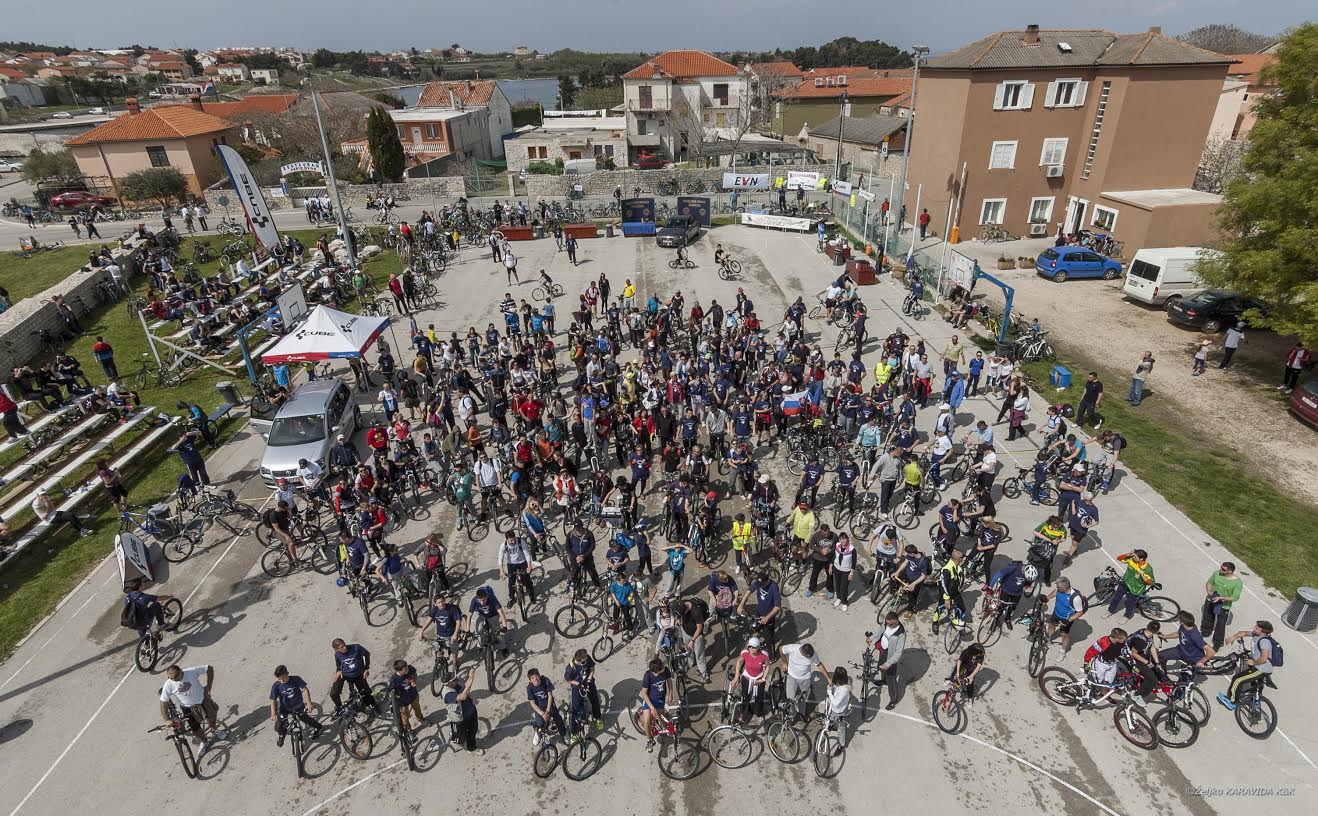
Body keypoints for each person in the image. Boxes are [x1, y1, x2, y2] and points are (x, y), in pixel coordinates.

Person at [1216, 620, 1279, 711]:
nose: (1254, 627)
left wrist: (1253, 663)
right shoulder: (1256, 634)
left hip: (1261, 668)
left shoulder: (1264, 641)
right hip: (1263, 666)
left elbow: (1264, 658)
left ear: (1263, 631)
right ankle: (1255, 701)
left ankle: (1231, 702)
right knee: (1256, 684)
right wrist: (1233, 637)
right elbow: (1244, 633)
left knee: (1237, 679)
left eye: (1257, 627)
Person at [159, 664, 227, 748]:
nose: (173, 680)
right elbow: (163, 702)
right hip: (187, 708)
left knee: (211, 716)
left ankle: (214, 730)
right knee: (195, 728)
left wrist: (209, 686)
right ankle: (204, 741)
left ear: (181, 671)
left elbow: (209, 668)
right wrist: (167, 719)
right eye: (170, 678)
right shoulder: (169, 684)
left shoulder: (191, 672)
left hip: (202, 700)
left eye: (175, 677)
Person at [269, 665, 322, 746]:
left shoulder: (295, 679)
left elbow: (305, 690)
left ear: (287, 674)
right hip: (285, 708)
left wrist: (309, 703)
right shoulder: (276, 685)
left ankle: (319, 727)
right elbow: (273, 700)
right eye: (279, 679)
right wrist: (273, 713)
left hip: (298, 706)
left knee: (305, 718)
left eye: (283, 678)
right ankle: (281, 736)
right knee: (279, 726)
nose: (281, 680)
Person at [329, 638, 379, 714]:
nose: (345, 647)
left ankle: (373, 705)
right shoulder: (337, 654)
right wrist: (338, 670)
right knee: (333, 693)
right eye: (342, 647)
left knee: (366, 692)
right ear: (337, 650)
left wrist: (366, 668)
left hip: (358, 674)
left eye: (344, 645)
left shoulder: (356, 648)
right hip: (344, 674)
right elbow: (338, 662)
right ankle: (339, 707)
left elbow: (367, 654)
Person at [1202, 562, 1243, 651]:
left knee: (1221, 624)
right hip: (1211, 599)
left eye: (1223, 569)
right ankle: (1205, 631)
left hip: (1224, 605)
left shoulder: (1237, 582)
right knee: (1207, 616)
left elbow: (1235, 597)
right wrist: (1209, 592)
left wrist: (1221, 598)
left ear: (1230, 571)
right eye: (1221, 567)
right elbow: (1209, 582)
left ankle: (1218, 642)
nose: (1221, 570)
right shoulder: (1216, 573)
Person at [564, 648, 606, 733]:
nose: (587, 659)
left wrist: (589, 680)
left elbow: (592, 668)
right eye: (585, 659)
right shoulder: (570, 668)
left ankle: (597, 718)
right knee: (576, 709)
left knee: (595, 701)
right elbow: (567, 679)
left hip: (588, 684)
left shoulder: (587, 658)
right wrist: (578, 684)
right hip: (577, 688)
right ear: (580, 660)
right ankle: (574, 732)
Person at [1105, 549, 1154, 620]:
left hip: (1135, 589)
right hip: (1125, 582)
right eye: (1133, 556)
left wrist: (1143, 575)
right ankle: (1110, 610)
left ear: (1141, 559)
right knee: (1116, 597)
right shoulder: (1131, 559)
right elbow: (1119, 558)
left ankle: (1127, 616)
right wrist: (1128, 554)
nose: (1133, 557)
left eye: (1135, 557)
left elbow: (1150, 582)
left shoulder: (1147, 569)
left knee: (1129, 603)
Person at [639, 657, 675, 751]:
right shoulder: (648, 676)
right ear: (656, 672)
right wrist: (652, 707)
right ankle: (649, 740)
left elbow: (670, 683)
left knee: (661, 718)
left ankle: (667, 729)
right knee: (647, 721)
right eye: (662, 668)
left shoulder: (665, 670)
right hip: (649, 700)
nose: (664, 668)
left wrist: (670, 693)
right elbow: (644, 693)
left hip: (660, 699)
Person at [732, 637, 771, 724]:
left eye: (753, 647)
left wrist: (763, 679)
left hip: (759, 679)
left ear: (758, 648)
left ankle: (759, 712)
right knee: (745, 696)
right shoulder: (745, 653)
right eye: (749, 646)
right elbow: (739, 662)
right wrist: (736, 675)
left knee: (759, 698)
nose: (751, 649)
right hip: (747, 678)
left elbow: (768, 666)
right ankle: (744, 711)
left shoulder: (764, 655)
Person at [779, 642, 829, 706]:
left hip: (805, 678)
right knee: (790, 699)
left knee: (804, 696)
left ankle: (802, 706)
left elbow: (819, 665)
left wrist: (828, 678)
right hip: (791, 676)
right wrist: (784, 662)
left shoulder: (813, 654)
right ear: (802, 652)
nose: (811, 658)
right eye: (808, 657)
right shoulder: (793, 648)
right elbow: (781, 649)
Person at [1045, 577, 1086, 654]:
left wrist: (1068, 620)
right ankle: (1048, 639)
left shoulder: (1075, 598)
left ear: (1065, 587)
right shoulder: (1059, 590)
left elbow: (1080, 612)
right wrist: (1047, 598)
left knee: (1064, 635)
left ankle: (1063, 651)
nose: (1057, 588)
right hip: (1056, 613)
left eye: (1058, 587)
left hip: (1066, 619)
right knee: (1051, 626)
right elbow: (1055, 592)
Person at [527, 668, 567, 743]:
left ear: (539, 676)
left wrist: (547, 711)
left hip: (549, 704)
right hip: (539, 707)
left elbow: (550, 696)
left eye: (536, 676)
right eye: (532, 678)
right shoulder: (529, 688)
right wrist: (542, 713)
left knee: (558, 720)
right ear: (530, 680)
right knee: (539, 723)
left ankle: (564, 733)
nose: (535, 679)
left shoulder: (545, 680)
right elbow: (532, 703)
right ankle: (538, 734)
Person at [444, 668, 480, 752]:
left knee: (473, 730)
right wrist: (471, 679)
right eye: (454, 679)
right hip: (460, 719)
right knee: (460, 737)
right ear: (449, 684)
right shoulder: (447, 694)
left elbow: (466, 688)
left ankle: (471, 748)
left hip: (471, 710)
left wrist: (470, 678)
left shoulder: (457, 682)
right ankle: (456, 739)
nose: (456, 678)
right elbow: (463, 697)